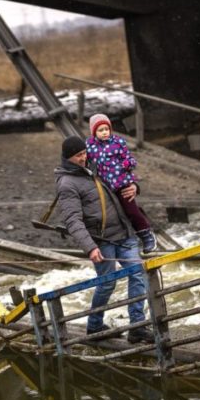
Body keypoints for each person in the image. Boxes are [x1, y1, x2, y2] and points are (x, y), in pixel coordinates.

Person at [54, 136, 153, 344]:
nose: (83, 158)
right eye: (78, 156)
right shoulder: (67, 184)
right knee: (108, 283)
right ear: (67, 158)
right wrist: (90, 247)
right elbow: (73, 220)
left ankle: (138, 327)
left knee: (137, 274)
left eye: (83, 153)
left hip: (124, 233)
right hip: (101, 240)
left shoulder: (97, 166)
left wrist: (134, 185)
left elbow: (121, 178)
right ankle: (95, 326)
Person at [86, 114, 157, 254]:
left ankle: (146, 235)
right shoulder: (90, 146)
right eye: (100, 130)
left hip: (121, 182)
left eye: (107, 129)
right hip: (105, 186)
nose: (105, 132)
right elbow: (83, 159)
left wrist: (126, 164)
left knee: (131, 210)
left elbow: (130, 159)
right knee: (114, 214)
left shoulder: (118, 142)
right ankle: (125, 241)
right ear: (94, 132)